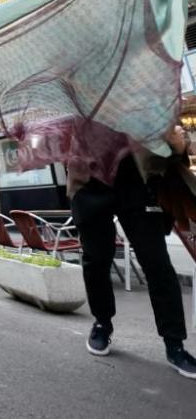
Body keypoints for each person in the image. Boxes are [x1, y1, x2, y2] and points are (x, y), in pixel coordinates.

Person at [72, 125, 196, 378]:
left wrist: (178, 144)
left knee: (157, 263)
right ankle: (102, 323)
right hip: (90, 185)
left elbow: (170, 139)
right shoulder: (76, 105)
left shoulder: (140, 103)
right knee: (96, 260)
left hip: (137, 183)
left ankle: (175, 344)